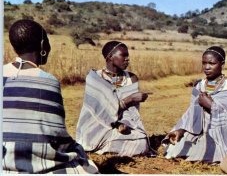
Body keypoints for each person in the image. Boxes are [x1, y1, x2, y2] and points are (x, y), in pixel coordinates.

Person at [2, 19, 98, 174]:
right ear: (42, 45)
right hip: (36, 162)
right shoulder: (48, 80)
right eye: (47, 41)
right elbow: (56, 136)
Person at [162, 46, 227, 163]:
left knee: (208, 151)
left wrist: (211, 106)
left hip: (220, 135)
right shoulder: (199, 85)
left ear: (222, 63)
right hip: (199, 132)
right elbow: (192, 115)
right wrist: (181, 130)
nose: (207, 67)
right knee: (175, 147)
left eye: (212, 63)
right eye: (204, 63)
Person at [76, 41, 151, 156]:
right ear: (110, 57)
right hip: (96, 127)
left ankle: (104, 148)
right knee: (89, 138)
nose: (127, 59)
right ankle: (102, 147)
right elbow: (100, 112)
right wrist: (130, 99)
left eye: (128, 56)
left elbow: (131, 112)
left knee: (142, 142)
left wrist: (122, 123)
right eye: (123, 55)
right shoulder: (95, 78)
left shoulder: (130, 78)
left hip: (122, 126)